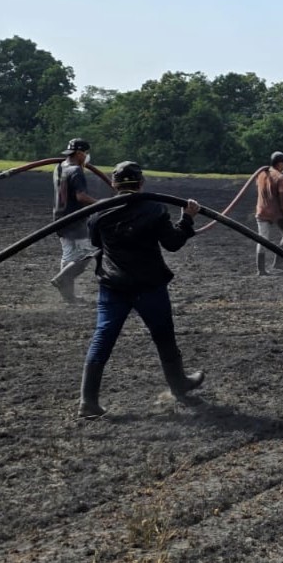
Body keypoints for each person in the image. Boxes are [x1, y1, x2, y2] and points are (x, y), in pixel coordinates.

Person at [77, 161, 204, 419]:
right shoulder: (153, 208)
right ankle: (178, 383)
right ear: (141, 183)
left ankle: (88, 401)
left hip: (113, 286)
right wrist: (187, 219)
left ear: (114, 184)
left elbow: (94, 241)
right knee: (163, 336)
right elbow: (172, 243)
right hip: (149, 286)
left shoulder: (99, 212)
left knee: (103, 337)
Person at [51, 138, 97, 303]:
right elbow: (81, 196)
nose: (86, 157)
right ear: (79, 153)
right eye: (85, 153)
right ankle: (61, 278)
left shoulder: (59, 167)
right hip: (75, 219)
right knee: (88, 253)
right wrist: (101, 204)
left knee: (69, 256)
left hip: (59, 217)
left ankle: (69, 297)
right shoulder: (76, 171)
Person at [255, 151, 283, 275]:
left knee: (263, 239)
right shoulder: (281, 178)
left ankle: (261, 270)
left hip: (262, 211)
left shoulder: (261, 173)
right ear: (280, 163)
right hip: (277, 213)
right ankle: (278, 262)